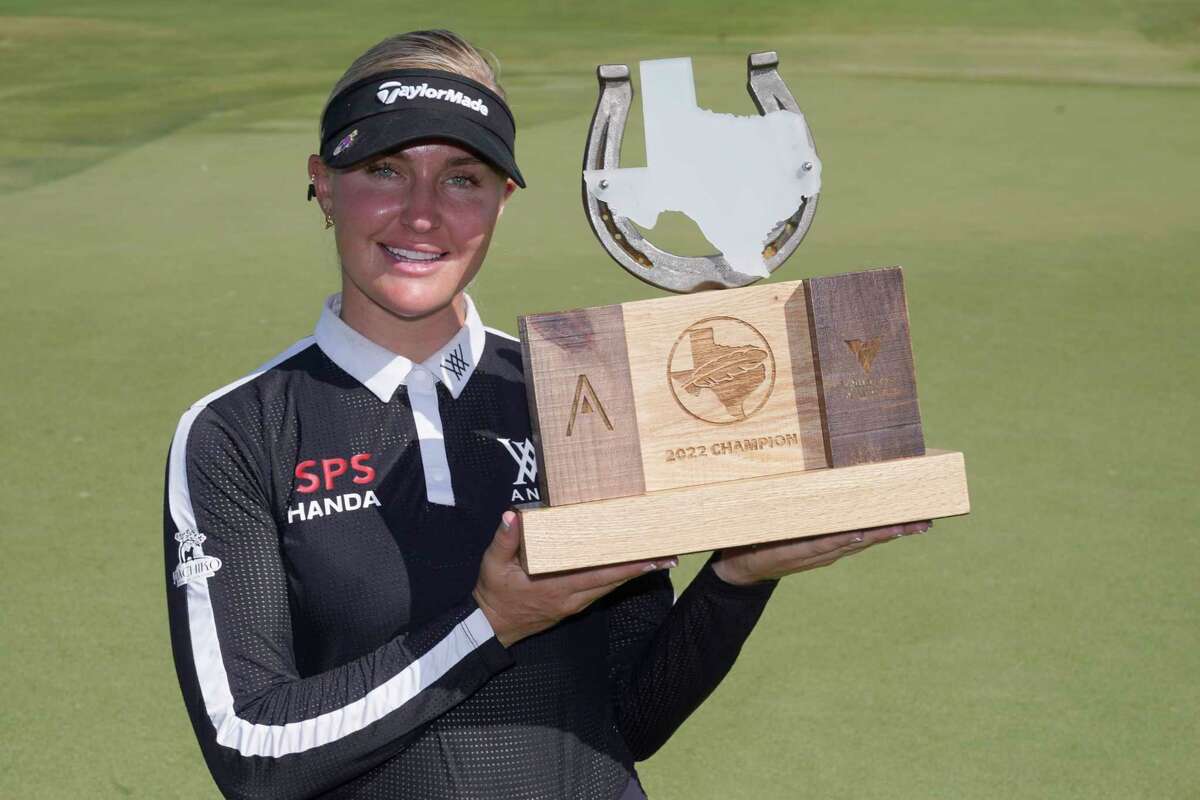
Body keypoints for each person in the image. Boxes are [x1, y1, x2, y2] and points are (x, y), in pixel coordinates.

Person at [163, 29, 929, 800]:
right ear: (323, 185)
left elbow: (630, 716)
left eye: (463, 178)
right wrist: (487, 624)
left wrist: (738, 576)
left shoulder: (577, 389)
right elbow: (252, 752)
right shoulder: (240, 432)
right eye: (382, 170)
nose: (422, 215)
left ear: (505, 197)